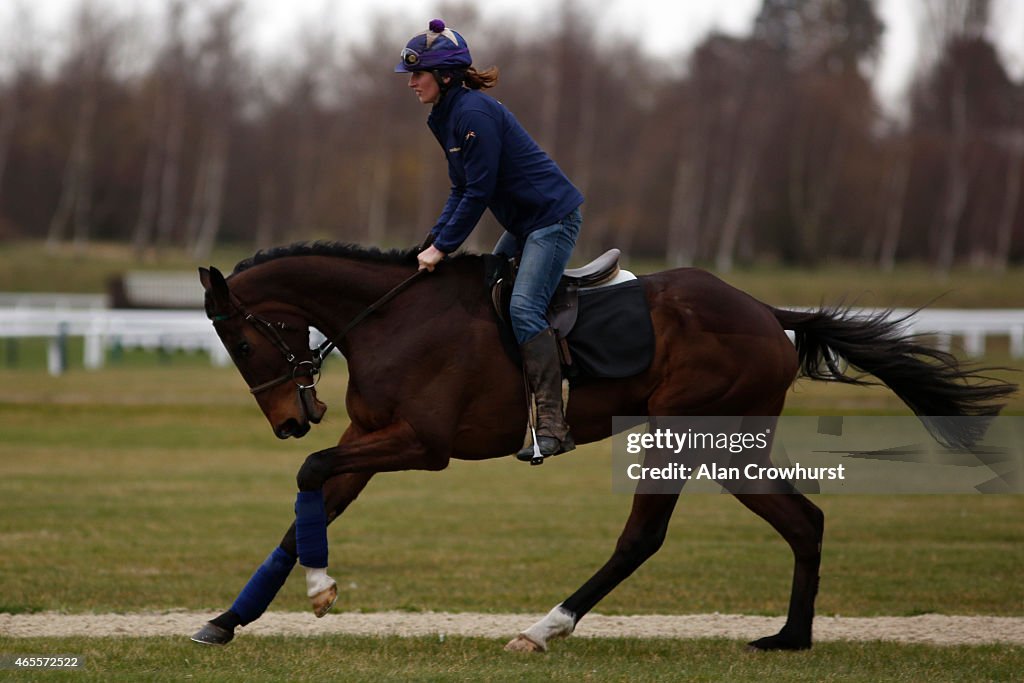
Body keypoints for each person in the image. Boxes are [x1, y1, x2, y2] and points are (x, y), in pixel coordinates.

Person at [396, 19, 584, 461]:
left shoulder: (473, 115)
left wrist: (442, 249)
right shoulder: (444, 117)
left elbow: (479, 192)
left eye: (417, 74)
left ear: (444, 76)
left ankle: (554, 427)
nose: (411, 83)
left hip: (550, 220)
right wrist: (434, 239)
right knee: (488, 291)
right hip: (524, 225)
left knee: (522, 306)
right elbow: (461, 189)